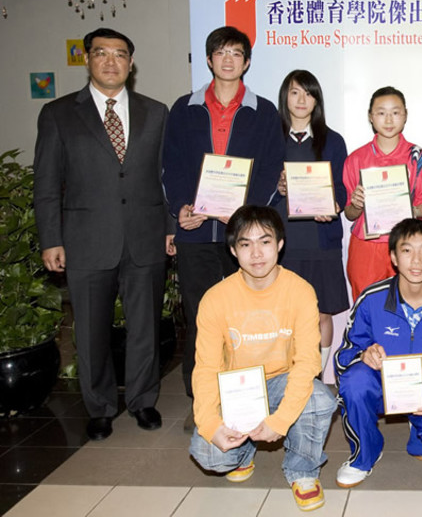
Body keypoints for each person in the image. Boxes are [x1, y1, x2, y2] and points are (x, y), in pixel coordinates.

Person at [33, 28, 171, 441]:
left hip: (146, 236)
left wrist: (169, 229)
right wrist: (51, 239)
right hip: (86, 240)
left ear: (131, 64)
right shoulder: (58, 114)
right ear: (88, 59)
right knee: (90, 330)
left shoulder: (156, 112)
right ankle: (100, 406)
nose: (111, 62)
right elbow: (46, 182)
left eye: (120, 54)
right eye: (101, 54)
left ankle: (144, 400)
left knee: (145, 324)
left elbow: (166, 178)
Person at [161, 26, 285, 430]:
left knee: (245, 323)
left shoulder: (264, 111)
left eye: (236, 52)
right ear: (209, 59)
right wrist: (180, 208)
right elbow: (171, 164)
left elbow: (269, 169)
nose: (228, 59)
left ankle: (246, 403)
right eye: (220, 52)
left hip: (243, 238)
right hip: (196, 233)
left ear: (247, 62)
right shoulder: (184, 108)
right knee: (201, 319)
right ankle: (204, 407)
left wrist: (246, 215)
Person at [189, 205, 336, 512]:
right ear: (233, 250)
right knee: (210, 455)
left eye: (265, 241)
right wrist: (209, 423)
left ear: (280, 244)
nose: (257, 253)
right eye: (246, 244)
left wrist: (280, 422)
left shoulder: (300, 291)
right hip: (237, 390)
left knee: (321, 399)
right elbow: (206, 368)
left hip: (282, 380)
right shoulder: (215, 298)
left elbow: (308, 363)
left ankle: (303, 471)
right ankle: (243, 453)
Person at [334, 219, 422, 488]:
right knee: (354, 382)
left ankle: (420, 432)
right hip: (383, 385)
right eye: (407, 250)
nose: (416, 261)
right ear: (393, 257)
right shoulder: (371, 299)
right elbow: (345, 354)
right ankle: (364, 456)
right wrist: (364, 354)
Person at [274, 70, 349, 374]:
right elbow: (257, 186)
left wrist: (335, 204)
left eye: (308, 93)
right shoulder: (272, 140)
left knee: (320, 315)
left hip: (320, 239)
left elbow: (342, 188)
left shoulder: (333, 140)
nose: (302, 99)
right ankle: (285, 378)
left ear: (317, 99)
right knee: (284, 317)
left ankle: (315, 377)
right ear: (285, 98)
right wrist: (275, 188)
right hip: (283, 242)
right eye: (295, 92)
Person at [343, 87, 422, 300]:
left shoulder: (417, 157)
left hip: (406, 244)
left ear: (405, 115)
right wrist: (356, 204)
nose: (389, 120)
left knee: (407, 307)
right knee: (366, 308)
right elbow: (349, 213)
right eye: (381, 113)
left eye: (395, 112)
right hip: (366, 247)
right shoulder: (356, 158)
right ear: (370, 117)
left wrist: (412, 209)